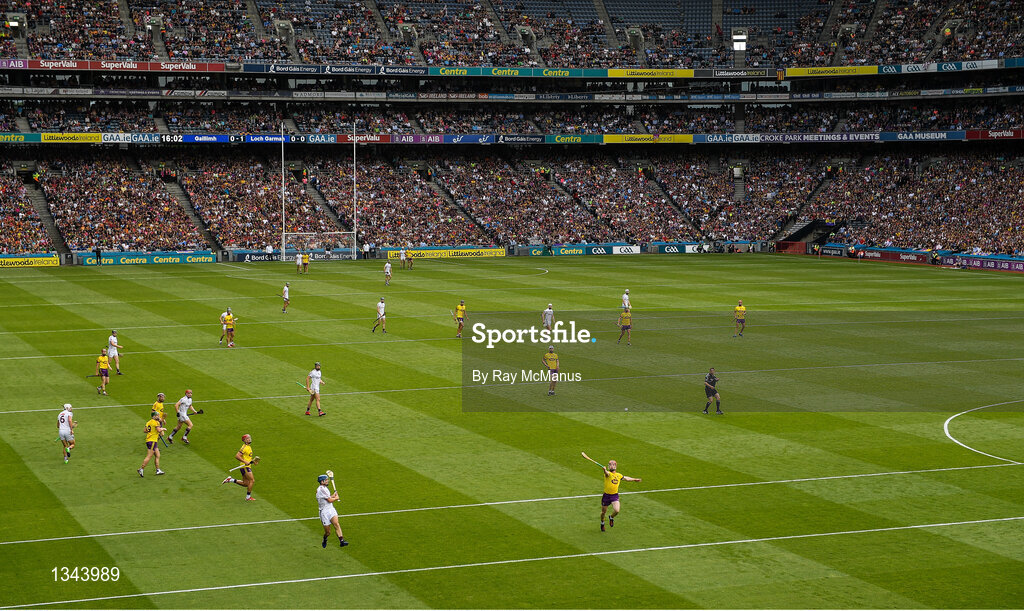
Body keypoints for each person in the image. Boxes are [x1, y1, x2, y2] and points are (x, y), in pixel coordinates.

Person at [596, 459, 641, 532]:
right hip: (606, 496)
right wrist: (604, 470)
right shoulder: (608, 474)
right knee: (603, 512)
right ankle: (602, 522)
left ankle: (611, 517)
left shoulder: (618, 475)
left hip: (614, 496)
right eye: (610, 464)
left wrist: (634, 479)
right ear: (608, 466)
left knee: (617, 510)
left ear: (616, 466)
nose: (611, 466)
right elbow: (607, 474)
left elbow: (626, 478)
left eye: (613, 464)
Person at [317, 474, 349, 548]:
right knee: (328, 532)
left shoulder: (325, 488)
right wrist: (336, 498)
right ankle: (325, 538)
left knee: (336, 524)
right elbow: (329, 500)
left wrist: (333, 496)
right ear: (322, 482)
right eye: (326, 480)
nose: (327, 481)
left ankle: (342, 541)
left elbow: (328, 497)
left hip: (331, 509)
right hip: (324, 512)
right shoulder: (321, 489)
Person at [222, 434, 256, 500]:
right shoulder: (244, 447)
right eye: (247, 438)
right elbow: (237, 456)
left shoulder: (249, 447)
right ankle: (248, 497)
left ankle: (230, 480)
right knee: (252, 480)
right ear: (245, 440)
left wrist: (253, 461)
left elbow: (248, 458)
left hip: (247, 466)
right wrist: (245, 462)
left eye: (249, 438)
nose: (249, 439)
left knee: (245, 483)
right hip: (245, 467)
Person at [138, 411, 166, 477]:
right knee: (149, 456)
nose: (158, 416)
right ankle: (141, 469)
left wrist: (153, 431)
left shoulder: (148, 422)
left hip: (149, 440)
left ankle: (158, 470)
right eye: (157, 415)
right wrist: (163, 429)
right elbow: (159, 430)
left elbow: (145, 430)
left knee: (158, 455)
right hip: (152, 441)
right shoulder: (156, 422)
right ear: (153, 416)